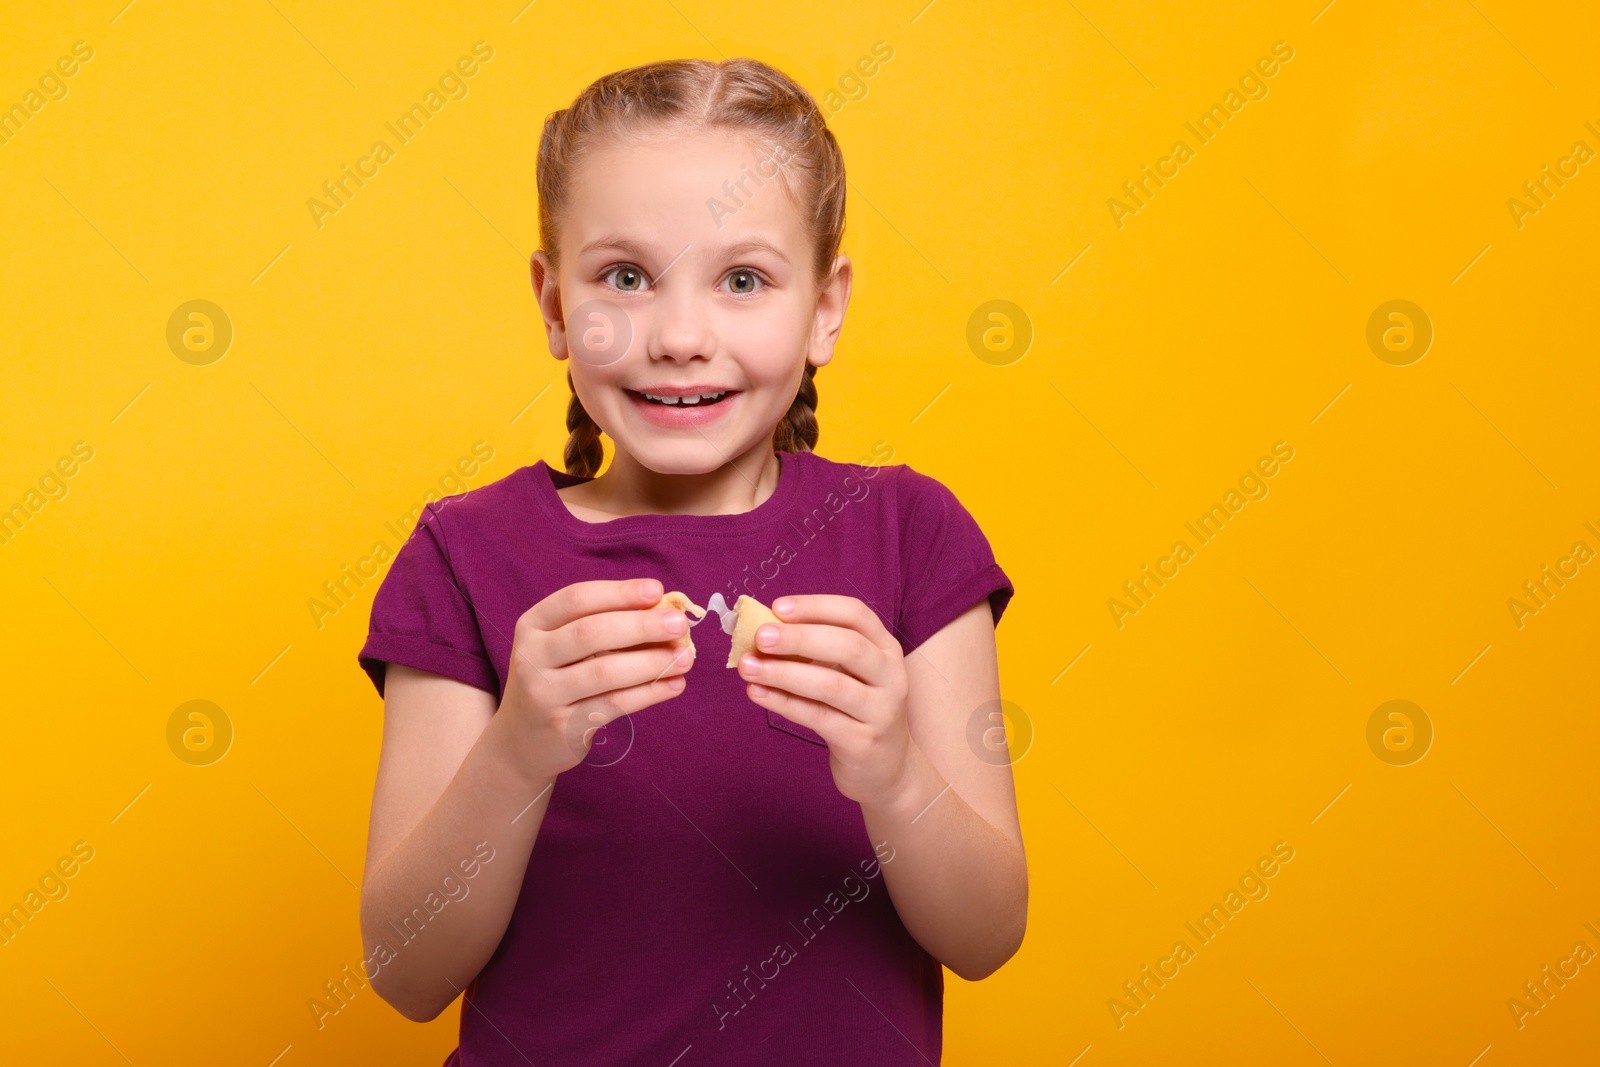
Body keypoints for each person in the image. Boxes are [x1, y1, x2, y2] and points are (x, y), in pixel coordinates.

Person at [355, 56, 1025, 1065]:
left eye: (743, 280)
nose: (678, 336)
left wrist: (892, 769)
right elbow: (405, 974)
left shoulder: (909, 533)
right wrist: (518, 748)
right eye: (624, 277)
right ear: (551, 302)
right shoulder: (464, 554)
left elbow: (985, 936)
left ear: (824, 308)